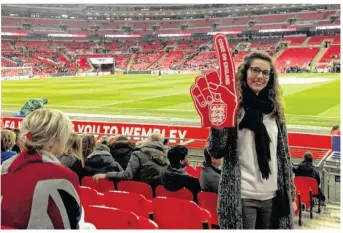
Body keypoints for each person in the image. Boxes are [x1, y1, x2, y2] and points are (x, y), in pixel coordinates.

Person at [206, 53, 296, 229]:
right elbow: (215, 151)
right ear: (245, 72)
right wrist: (218, 124)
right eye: (255, 70)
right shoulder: (232, 108)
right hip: (242, 195)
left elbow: (284, 155)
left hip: (273, 195)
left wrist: (290, 194)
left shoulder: (274, 110)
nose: (260, 76)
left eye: (266, 73)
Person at [1, 109, 81, 229]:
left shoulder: (6, 167)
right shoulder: (62, 176)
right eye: (65, 135)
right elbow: (68, 226)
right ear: (52, 140)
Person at [92, 132, 169, 189]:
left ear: (149, 141)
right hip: (159, 194)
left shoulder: (138, 153)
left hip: (141, 193)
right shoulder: (167, 156)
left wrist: (105, 175)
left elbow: (127, 175)